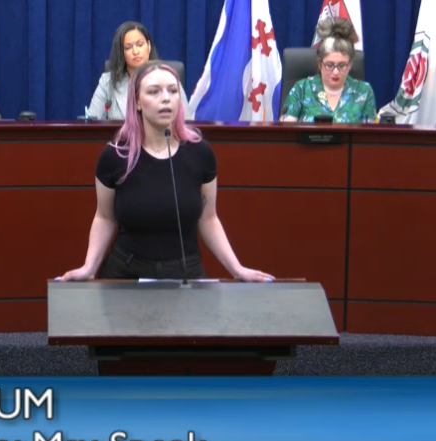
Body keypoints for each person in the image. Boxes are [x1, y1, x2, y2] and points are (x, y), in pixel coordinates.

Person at [61, 62, 273, 282]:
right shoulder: (115, 156)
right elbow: (105, 218)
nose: (166, 98)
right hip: (127, 272)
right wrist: (89, 267)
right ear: (137, 102)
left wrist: (237, 269)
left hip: (185, 272)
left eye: (172, 91)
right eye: (154, 92)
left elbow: (208, 218)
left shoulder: (200, 153)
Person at [86, 21, 190, 120]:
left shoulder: (169, 78)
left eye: (140, 45)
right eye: (128, 47)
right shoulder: (108, 82)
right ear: (121, 53)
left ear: (149, 46)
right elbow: (91, 122)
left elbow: (186, 122)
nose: (135, 51)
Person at [281, 18, 377, 123]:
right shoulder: (302, 89)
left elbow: (369, 131)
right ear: (319, 64)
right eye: (329, 65)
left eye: (342, 65)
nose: (335, 72)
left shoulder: (364, 91)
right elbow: (286, 128)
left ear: (350, 65)